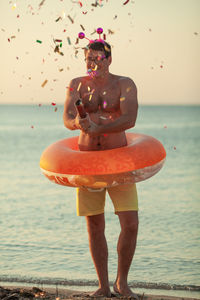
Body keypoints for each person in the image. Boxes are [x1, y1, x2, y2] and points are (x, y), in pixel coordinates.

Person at [63, 39, 139, 299]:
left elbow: (130, 118)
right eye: (88, 59)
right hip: (87, 162)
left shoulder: (124, 84)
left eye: (97, 58)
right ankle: (103, 287)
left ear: (108, 59)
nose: (91, 63)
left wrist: (100, 128)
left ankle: (122, 283)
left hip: (119, 160)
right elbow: (67, 119)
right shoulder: (76, 84)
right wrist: (77, 122)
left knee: (130, 224)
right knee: (95, 226)